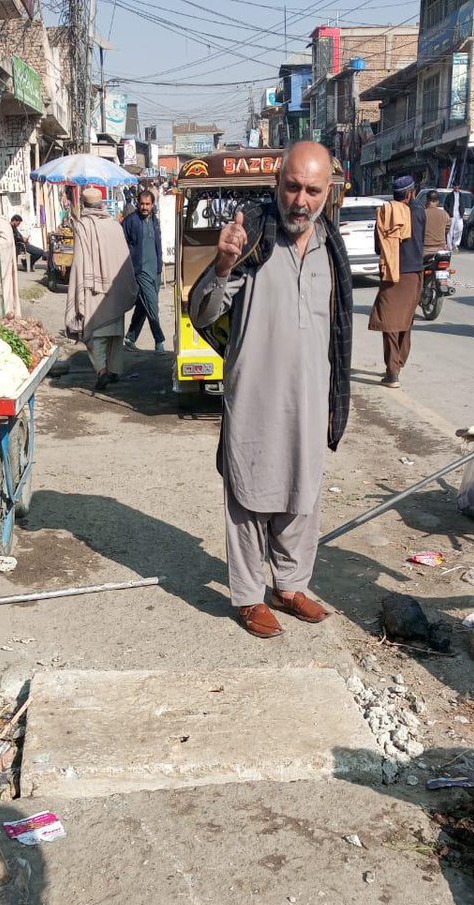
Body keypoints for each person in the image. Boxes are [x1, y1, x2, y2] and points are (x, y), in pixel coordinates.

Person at [189, 142, 353, 639]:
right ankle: (247, 595)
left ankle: (290, 584)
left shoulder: (332, 246)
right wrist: (222, 265)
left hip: (310, 394)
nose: (300, 200)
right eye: (292, 186)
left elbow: (338, 329)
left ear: (328, 192)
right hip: (257, 393)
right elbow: (203, 314)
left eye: (312, 190)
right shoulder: (253, 238)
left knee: (302, 494)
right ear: (276, 183)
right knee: (248, 494)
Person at [66, 186, 137, 390]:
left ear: (85, 204)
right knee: (115, 333)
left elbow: (79, 260)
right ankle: (114, 370)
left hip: (94, 288)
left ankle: (102, 371)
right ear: (101, 203)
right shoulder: (115, 225)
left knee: (96, 332)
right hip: (116, 286)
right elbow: (123, 257)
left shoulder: (83, 226)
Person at [368, 174, 425, 389]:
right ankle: (398, 363)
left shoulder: (384, 214)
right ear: (410, 194)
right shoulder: (418, 212)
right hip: (413, 273)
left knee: (390, 322)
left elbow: (377, 248)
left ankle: (392, 371)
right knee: (405, 321)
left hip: (391, 272)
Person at [122, 188, 166, 353]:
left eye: (148, 204)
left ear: (153, 205)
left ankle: (130, 338)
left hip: (155, 271)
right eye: (142, 204)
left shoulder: (154, 220)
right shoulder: (130, 221)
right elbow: (121, 242)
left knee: (144, 305)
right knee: (153, 305)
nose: (144, 207)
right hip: (140, 271)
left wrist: (159, 266)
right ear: (137, 204)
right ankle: (159, 340)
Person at [0, 215, 22, 318]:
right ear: (14, 221)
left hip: (4, 256)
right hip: (6, 254)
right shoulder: (6, 225)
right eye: (18, 223)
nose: (18, 225)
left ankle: (4, 309)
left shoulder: (3, 225)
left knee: (2, 282)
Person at [423, 190, 451, 254]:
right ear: (437, 202)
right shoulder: (445, 214)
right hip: (441, 249)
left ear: (427, 200)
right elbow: (447, 229)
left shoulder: (422, 214)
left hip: (425, 249)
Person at [444, 183, 466, 251]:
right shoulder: (449, 195)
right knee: (450, 230)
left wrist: (462, 212)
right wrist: (448, 213)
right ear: (453, 187)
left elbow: (462, 205)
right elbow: (445, 205)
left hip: (459, 215)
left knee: (459, 229)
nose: (456, 187)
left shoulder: (461, 195)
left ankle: (455, 244)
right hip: (451, 215)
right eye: (455, 186)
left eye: (457, 186)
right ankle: (449, 246)